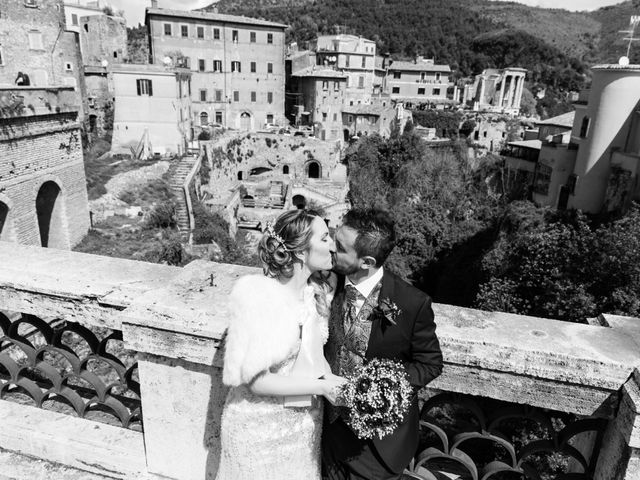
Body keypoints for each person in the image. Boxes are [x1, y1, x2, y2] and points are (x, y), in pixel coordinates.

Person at [216, 209, 346, 480]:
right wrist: (322, 387)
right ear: (300, 252)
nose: (333, 245)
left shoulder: (315, 292)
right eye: (324, 239)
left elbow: (311, 352)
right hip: (259, 432)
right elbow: (256, 381)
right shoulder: (259, 297)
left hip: (303, 431)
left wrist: (336, 381)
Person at [323, 208, 443, 480]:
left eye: (340, 247)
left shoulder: (412, 303)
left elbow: (430, 364)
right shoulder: (326, 281)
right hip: (328, 434)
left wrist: (385, 386)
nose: (331, 248)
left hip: (377, 451)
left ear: (366, 261)